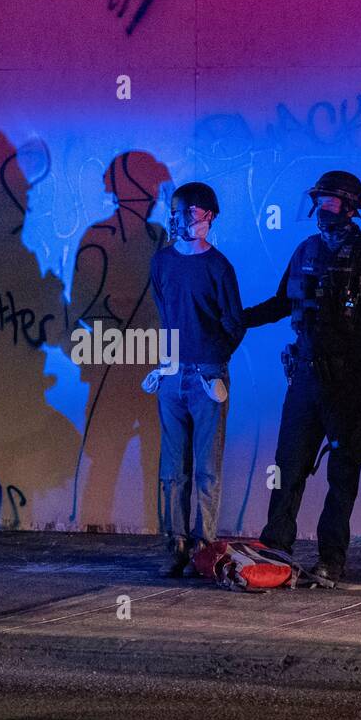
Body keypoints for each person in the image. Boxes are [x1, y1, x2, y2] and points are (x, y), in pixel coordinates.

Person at [242, 171, 361, 588]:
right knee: (288, 467)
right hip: (303, 378)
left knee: (342, 472)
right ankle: (276, 551)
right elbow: (279, 304)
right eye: (320, 200)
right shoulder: (305, 249)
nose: (323, 208)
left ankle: (331, 559)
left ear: (352, 206)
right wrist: (236, 319)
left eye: (332, 202)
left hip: (348, 382)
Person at [148, 182, 244, 577]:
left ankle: (204, 545)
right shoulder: (162, 262)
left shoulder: (219, 267)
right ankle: (176, 544)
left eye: (199, 214)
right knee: (172, 468)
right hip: (172, 373)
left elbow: (233, 323)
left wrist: (215, 364)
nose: (193, 221)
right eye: (186, 213)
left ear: (210, 218)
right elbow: (163, 310)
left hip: (207, 374)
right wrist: (164, 363)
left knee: (207, 466)